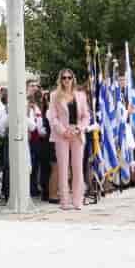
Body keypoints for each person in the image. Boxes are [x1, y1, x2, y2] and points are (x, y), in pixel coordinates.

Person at [47, 69, 89, 210]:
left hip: (77, 134)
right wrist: (63, 131)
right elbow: (52, 117)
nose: (66, 80)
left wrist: (78, 128)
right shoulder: (54, 96)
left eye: (69, 77)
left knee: (78, 168)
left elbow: (86, 116)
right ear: (60, 79)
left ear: (73, 79)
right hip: (61, 135)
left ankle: (78, 200)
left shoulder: (81, 95)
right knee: (63, 168)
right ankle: (65, 201)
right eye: (64, 78)